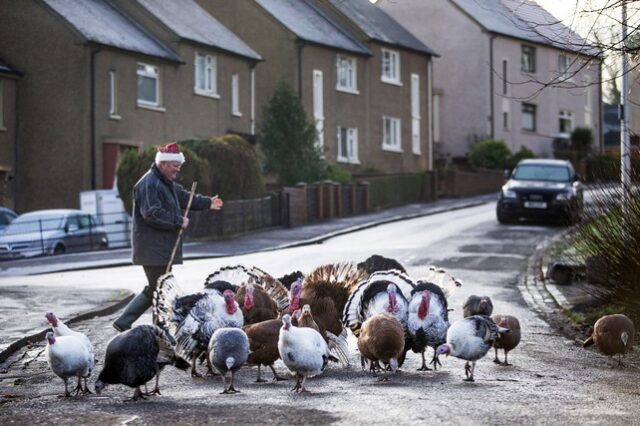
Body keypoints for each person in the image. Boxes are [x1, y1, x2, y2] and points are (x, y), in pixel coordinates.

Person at [112, 142, 223, 332]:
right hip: (152, 249)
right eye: (175, 166)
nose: (178, 170)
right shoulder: (150, 183)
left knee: (157, 289)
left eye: (179, 166)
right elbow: (152, 214)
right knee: (159, 290)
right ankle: (158, 329)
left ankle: (135, 324)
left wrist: (207, 202)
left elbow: (184, 197)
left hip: (159, 248)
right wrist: (178, 221)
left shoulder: (165, 183)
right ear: (163, 164)